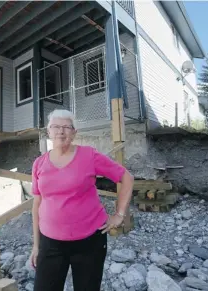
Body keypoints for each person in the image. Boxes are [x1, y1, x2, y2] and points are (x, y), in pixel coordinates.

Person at [30, 109, 134, 291]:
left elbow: (126, 177)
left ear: (74, 132)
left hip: (89, 243)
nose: (61, 131)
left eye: (66, 127)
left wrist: (119, 214)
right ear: (48, 132)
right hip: (50, 243)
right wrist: (36, 245)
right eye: (55, 127)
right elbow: (37, 204)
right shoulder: (39, 163)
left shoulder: (89, 156)